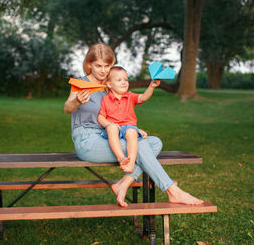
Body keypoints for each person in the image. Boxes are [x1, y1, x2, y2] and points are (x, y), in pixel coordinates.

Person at [64, 43, 203, 207]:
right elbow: (67, 108)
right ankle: (172, 190)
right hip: (88, 141)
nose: (102, 70)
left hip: (110, 135)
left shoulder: (110, 85)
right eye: (98, 66)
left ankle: (123, 184)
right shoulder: (81, 84)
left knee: (154, 142)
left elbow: (117, 116)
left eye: (107, 66)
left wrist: (132, 129)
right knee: (140, 145)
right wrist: (77, 101)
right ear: (89, 64)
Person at [98, 66, 160, 174]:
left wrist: (151, 86)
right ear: (109, 84)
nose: (124, 82)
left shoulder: (130, 96)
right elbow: (100, 117)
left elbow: (143, 97)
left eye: (126, 80)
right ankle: (121, 158)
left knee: (131, 132)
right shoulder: (106, 99)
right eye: (119, 80)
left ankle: (130, 163)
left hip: (128, 127)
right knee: (112, 129)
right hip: (114, 128)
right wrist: (109, 124)